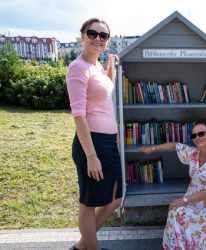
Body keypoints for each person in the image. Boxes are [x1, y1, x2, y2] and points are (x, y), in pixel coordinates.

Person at [66, 18, 122, 250]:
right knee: (88, 203)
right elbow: (79, 115)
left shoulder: (96, 68)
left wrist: (110, 68)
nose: (98, 38)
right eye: (93, 33)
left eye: (103, 35)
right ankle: (92, 247)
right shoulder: (77, 68)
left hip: (108, 142)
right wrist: (91, 155)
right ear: (83, 36)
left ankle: (83, 246)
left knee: (116, 197)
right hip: (92, 143)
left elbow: (103, 94)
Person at [139, 121, 206, 250]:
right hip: (192, 202)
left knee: (178, 212)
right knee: (175, 211)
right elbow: (175, 146)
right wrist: (153, 149)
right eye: (194, 136)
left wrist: (183, 200)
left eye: (201, 133)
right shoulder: (193, 154)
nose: (197, 137)